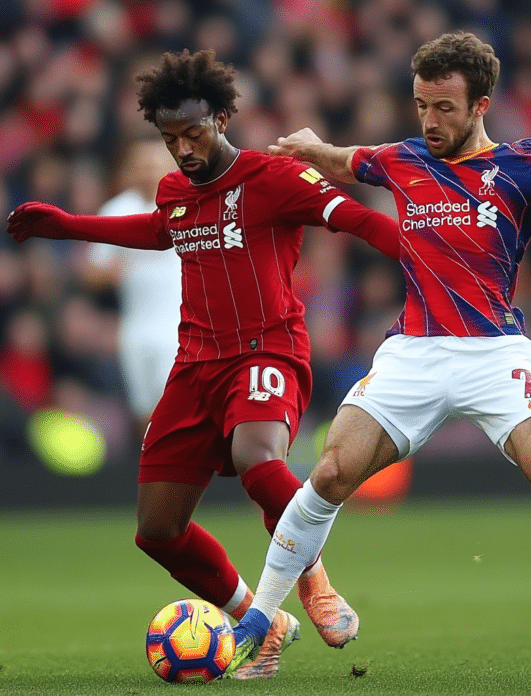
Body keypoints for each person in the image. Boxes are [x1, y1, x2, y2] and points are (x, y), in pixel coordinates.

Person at [228, 31, 531, 688]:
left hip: (495, 351)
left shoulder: (524, 163)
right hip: (414, 353)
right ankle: (257, 625)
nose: (429, 121)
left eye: (444, 108)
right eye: (421, 105)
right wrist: (311, 147)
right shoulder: (404, 157)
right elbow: (349, 160)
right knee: (330, 472)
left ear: (481, 104)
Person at [6, 49, 402, 680]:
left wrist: (427, 254)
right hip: (194, 367)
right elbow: (160, 231)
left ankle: (315, 581)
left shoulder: (272, 178)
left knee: (258, 457)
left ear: (222, 117)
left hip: (266, 350)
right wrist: (67, 227)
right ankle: (260, 620)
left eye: (193, 133)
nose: (183, 149)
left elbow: (354, 218)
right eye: (170, 139)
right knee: (157, 532)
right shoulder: (176, 191)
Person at [85, 137, 181, 436]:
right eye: (142, 164)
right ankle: (153, 476)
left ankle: (181, 476)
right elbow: (91, 272)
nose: (148, 171)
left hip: (179, 327)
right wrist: (114, 271)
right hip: (136, 329)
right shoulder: (116, 210)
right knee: (143, 411)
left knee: (174, 408)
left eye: (154, 164)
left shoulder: (189, 207)